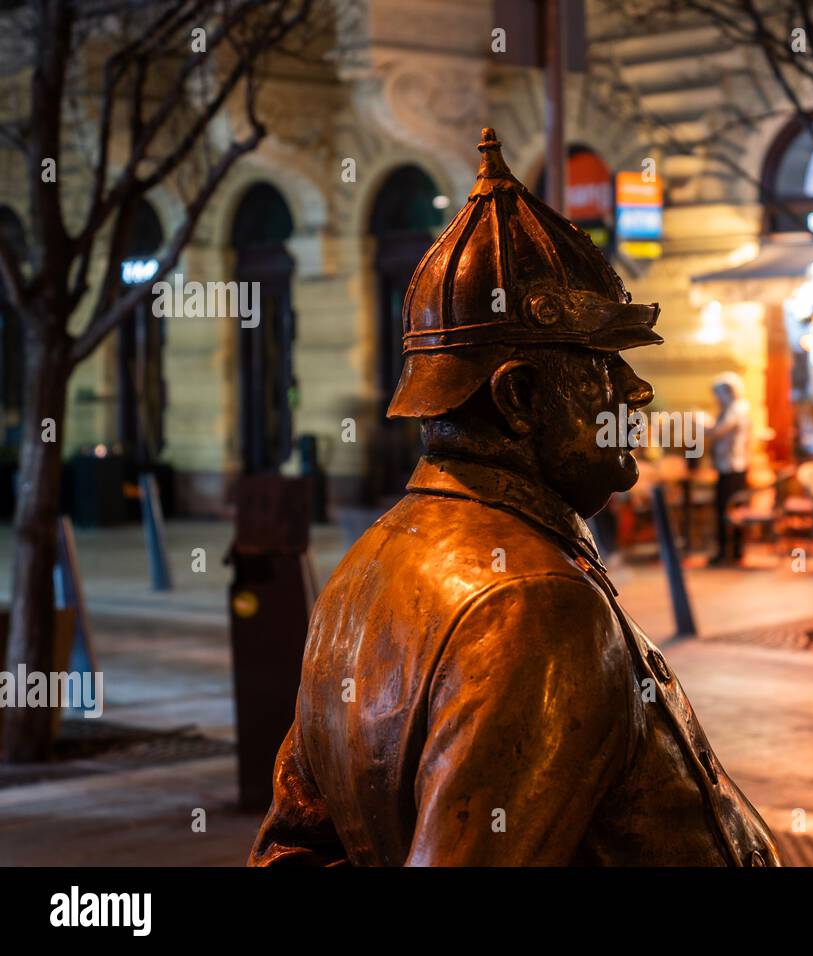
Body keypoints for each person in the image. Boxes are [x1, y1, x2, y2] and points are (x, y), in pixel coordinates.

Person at [247, 129, 780, 867]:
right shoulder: (536, 605)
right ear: (522, 397)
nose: (636, 390)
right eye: (601, 365)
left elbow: (291, 854)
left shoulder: (363, 569)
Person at [706, 371, 751, 566]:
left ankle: (729, 552)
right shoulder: (734, 408)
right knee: (728, 510)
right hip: (729, 466)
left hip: (732, 467)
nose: (717, 398)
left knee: (728, 510)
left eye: (719, 393)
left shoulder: (737, 409)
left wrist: (703, 426)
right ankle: (731, 551)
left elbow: (720, 431)